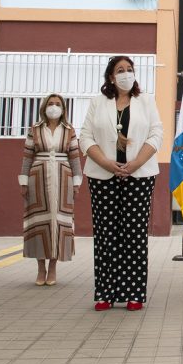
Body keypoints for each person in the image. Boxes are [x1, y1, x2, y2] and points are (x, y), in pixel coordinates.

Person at [81, 56, 163, 311]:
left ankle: (134, 293)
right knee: (106, 234)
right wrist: (106, 163)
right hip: (102, 175)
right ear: (111, 77)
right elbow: (85, 136)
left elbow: (156, 133)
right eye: (120, 70)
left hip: (138, 176)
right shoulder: (98, 102)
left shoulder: (146, 101)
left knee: (134, 234)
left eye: (130, 69)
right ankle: (105, 292)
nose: (126, 74)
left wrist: (136, 163)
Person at [19, 94, 83, 286]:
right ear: (44, 107)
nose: (54, 107)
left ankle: (53, 267)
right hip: (37, 177)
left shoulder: (69, 130)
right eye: (50, 104)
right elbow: (27, 157)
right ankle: (41, 268)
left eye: (57, 104)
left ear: (63, 108)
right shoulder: (35, 129)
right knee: (40, 221)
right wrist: (23, 181)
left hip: (64, 178)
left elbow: (74, 157)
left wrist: (77, 181)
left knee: (59, 221)